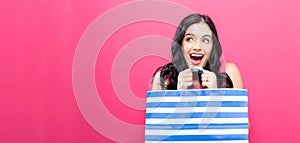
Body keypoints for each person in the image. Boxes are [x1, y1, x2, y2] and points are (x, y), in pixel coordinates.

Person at [152, 13, 243, 90]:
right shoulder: (162, 78)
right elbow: (158, 111)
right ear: (180, 44)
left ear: (213, 46)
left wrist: (215, 94)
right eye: (190, 39)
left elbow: (237, 111)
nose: (197, 47)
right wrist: (179, 95)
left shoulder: (229, 72)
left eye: (205, 40)